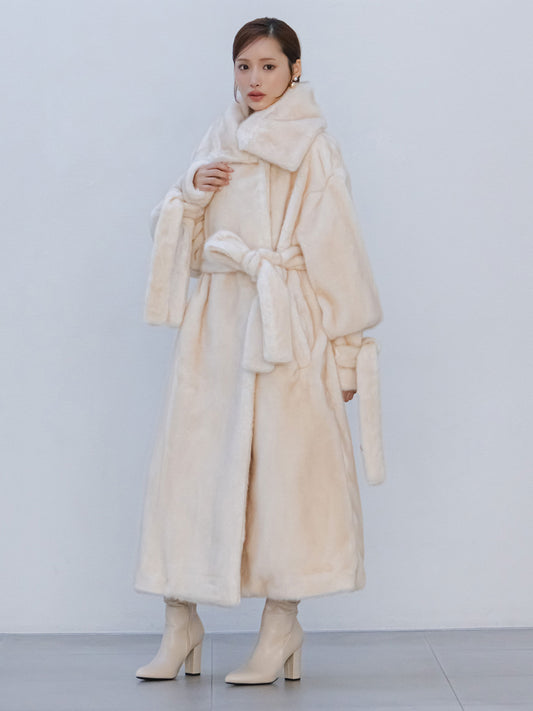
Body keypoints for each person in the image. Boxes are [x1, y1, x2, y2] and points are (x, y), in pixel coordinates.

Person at [134, 17, 386, 686]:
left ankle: (280, 627)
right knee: (191, 470)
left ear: (294, 70)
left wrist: (345, 351)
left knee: (285, 477)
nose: (254, 79)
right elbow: (175, 236)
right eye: (244, 66)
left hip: (285, 329)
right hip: (216, 326)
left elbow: (339, 251)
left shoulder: (313, 146)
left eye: (269, 66)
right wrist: (192, 191)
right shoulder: (217, 137)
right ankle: (179, 622)